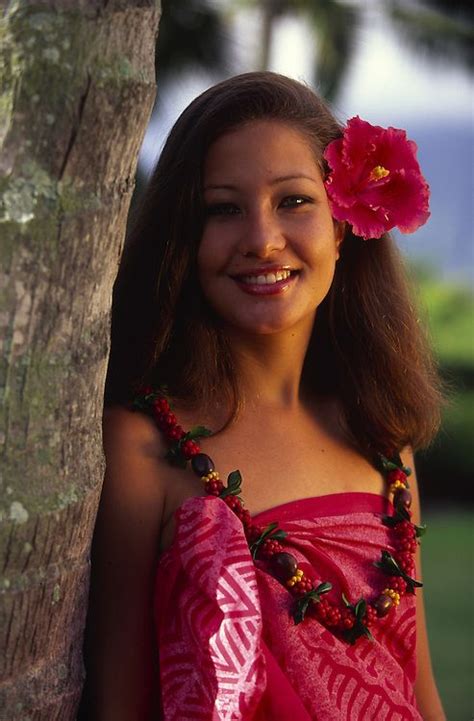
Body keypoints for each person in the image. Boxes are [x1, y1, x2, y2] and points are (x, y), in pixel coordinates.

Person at [81, 72, 446, 720]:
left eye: (294, 202)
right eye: (223, 208)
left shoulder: (382, 439)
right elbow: (118, 702)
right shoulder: (146, 448)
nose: (261, 238)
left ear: (343, 226)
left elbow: (417, 691)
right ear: (184, 241)